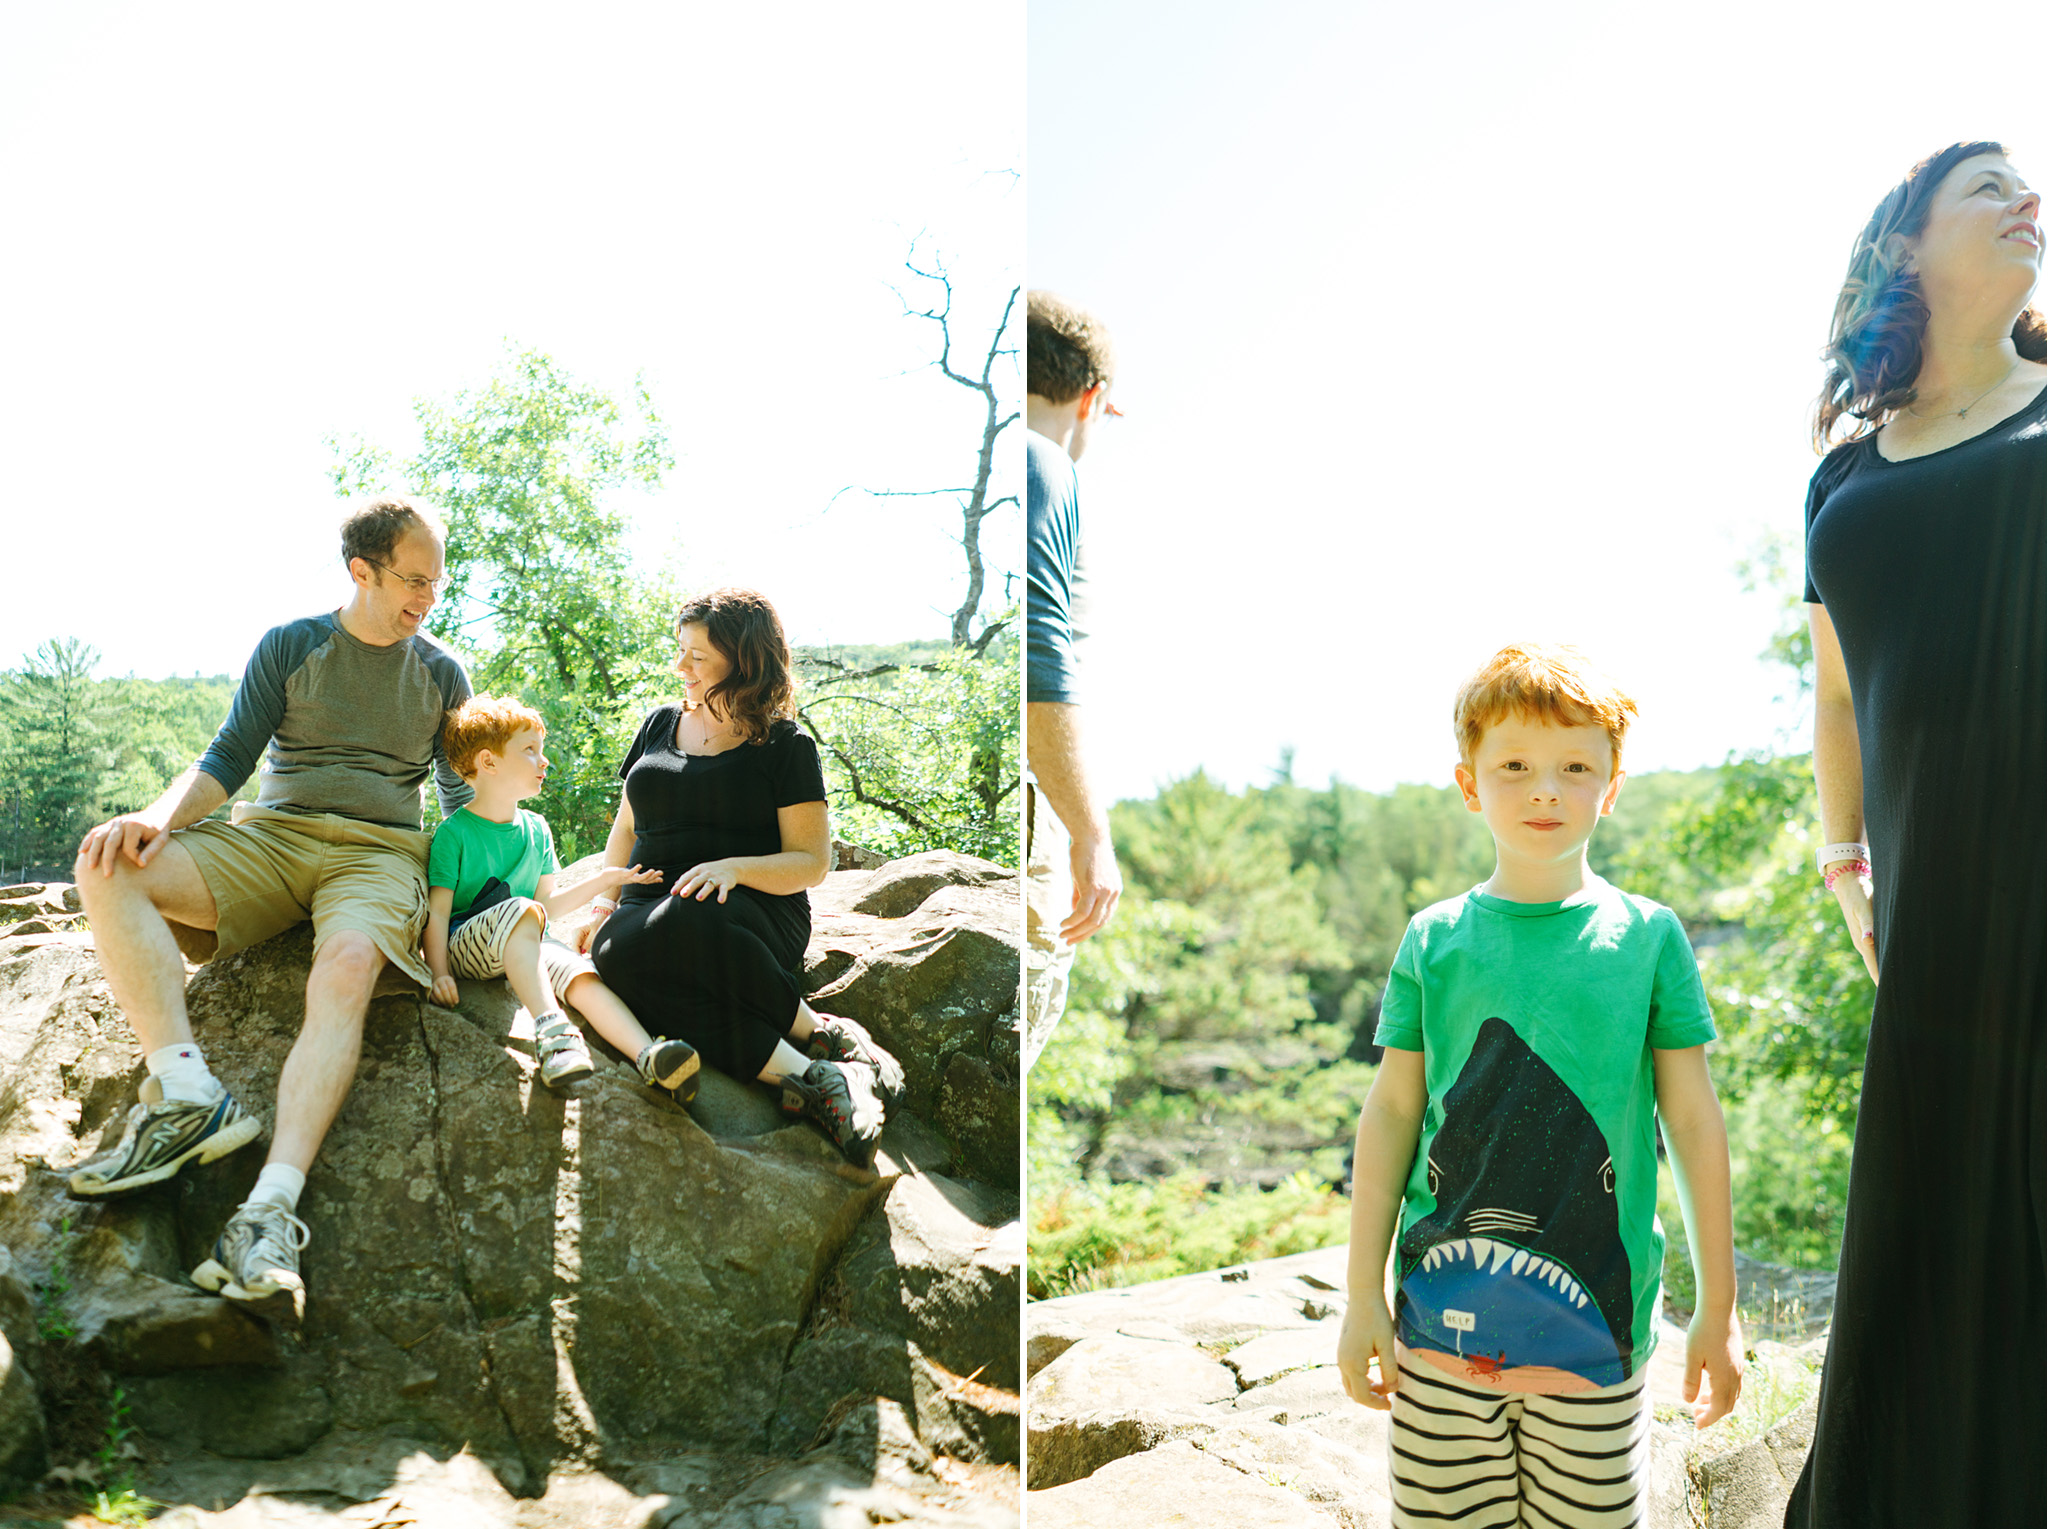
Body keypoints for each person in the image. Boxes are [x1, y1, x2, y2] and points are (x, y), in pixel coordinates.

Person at [1336, 644, 1741, 1528]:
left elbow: (1695, 1123)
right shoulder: (1432, 939)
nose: (1545, 789)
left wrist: (1720, 1306)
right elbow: (1395, 1113)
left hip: (1599, 1343)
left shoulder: (1651, 937)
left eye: (1575, 766)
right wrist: (1361, 1291)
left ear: (1613, 784)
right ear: (1469, 782)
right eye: (1514, 765)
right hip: (1436, 1338)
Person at [1790, 141, 2045, 1528]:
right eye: (1990, 183)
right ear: (1906, 244)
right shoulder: (1841, 483)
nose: (2031, 199)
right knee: (1925, 1238)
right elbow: (1835, 693)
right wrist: (1847, 866)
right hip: (1936, 910)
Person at [67, 497, 473, 1326]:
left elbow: (466, 801)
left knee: (352, 961)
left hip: (380, 853)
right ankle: (187, 1092)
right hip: (271, 836)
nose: (430, 595)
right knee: (106, 862)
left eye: (439, 580)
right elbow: (227, 758)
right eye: (415, 578)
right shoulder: (292, 645)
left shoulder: (441, 673)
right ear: (361, 571)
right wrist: (155, 815)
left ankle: (268, 1210)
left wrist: (522, 891)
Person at [579, 588, 900, 1166]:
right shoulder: (658, 725)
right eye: (681, 651)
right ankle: (813, 1068)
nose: (681, 667)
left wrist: (734, 869)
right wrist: (603, 903)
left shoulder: (785, 745)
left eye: (698, 657)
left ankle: (808, 1031)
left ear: (744, 662)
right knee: (614, 954)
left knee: (680, 918)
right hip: (646, 911)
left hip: (749, 910)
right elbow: (626, 827)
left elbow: (811, 861)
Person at [424, 694, 696, 1098]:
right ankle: (554, 1033)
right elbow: (439, 912)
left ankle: (649, 1056)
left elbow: (546, 908)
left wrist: (605, 879)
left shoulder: (536, 829)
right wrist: (440, 972)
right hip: (469, 945)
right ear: (488, 762)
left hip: (524, 937)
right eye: (530, 750)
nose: (544, 760)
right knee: (520, 910)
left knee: (578, 970)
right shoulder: (454, 833)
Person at [1022, 290, 1123, 1075]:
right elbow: (1039, 647)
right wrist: (1088, 830)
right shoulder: (1045, 460)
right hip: (1032, 808)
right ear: (1091, 397)